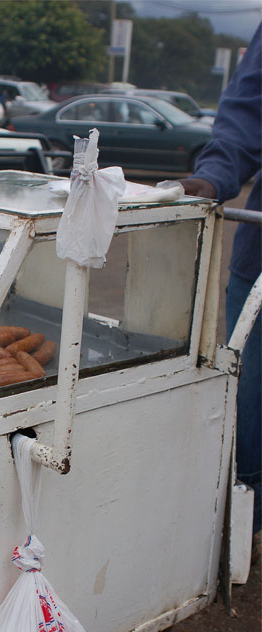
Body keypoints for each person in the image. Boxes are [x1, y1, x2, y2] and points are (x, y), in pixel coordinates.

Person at [178, 24, 261, 534]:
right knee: (249, 400)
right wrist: (211, 178)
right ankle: (244, 520)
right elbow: (247, 114)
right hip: (259, 269)